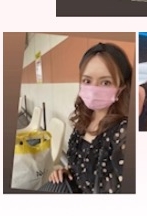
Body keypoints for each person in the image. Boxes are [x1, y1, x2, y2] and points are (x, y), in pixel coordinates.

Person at [47, 42, 131, 193]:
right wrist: (66, 173)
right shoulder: (84, 119)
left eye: (105, 82)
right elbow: (80, 169)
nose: (93, 90)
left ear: (121, 88)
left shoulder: (123, 133)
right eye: (87, 81)